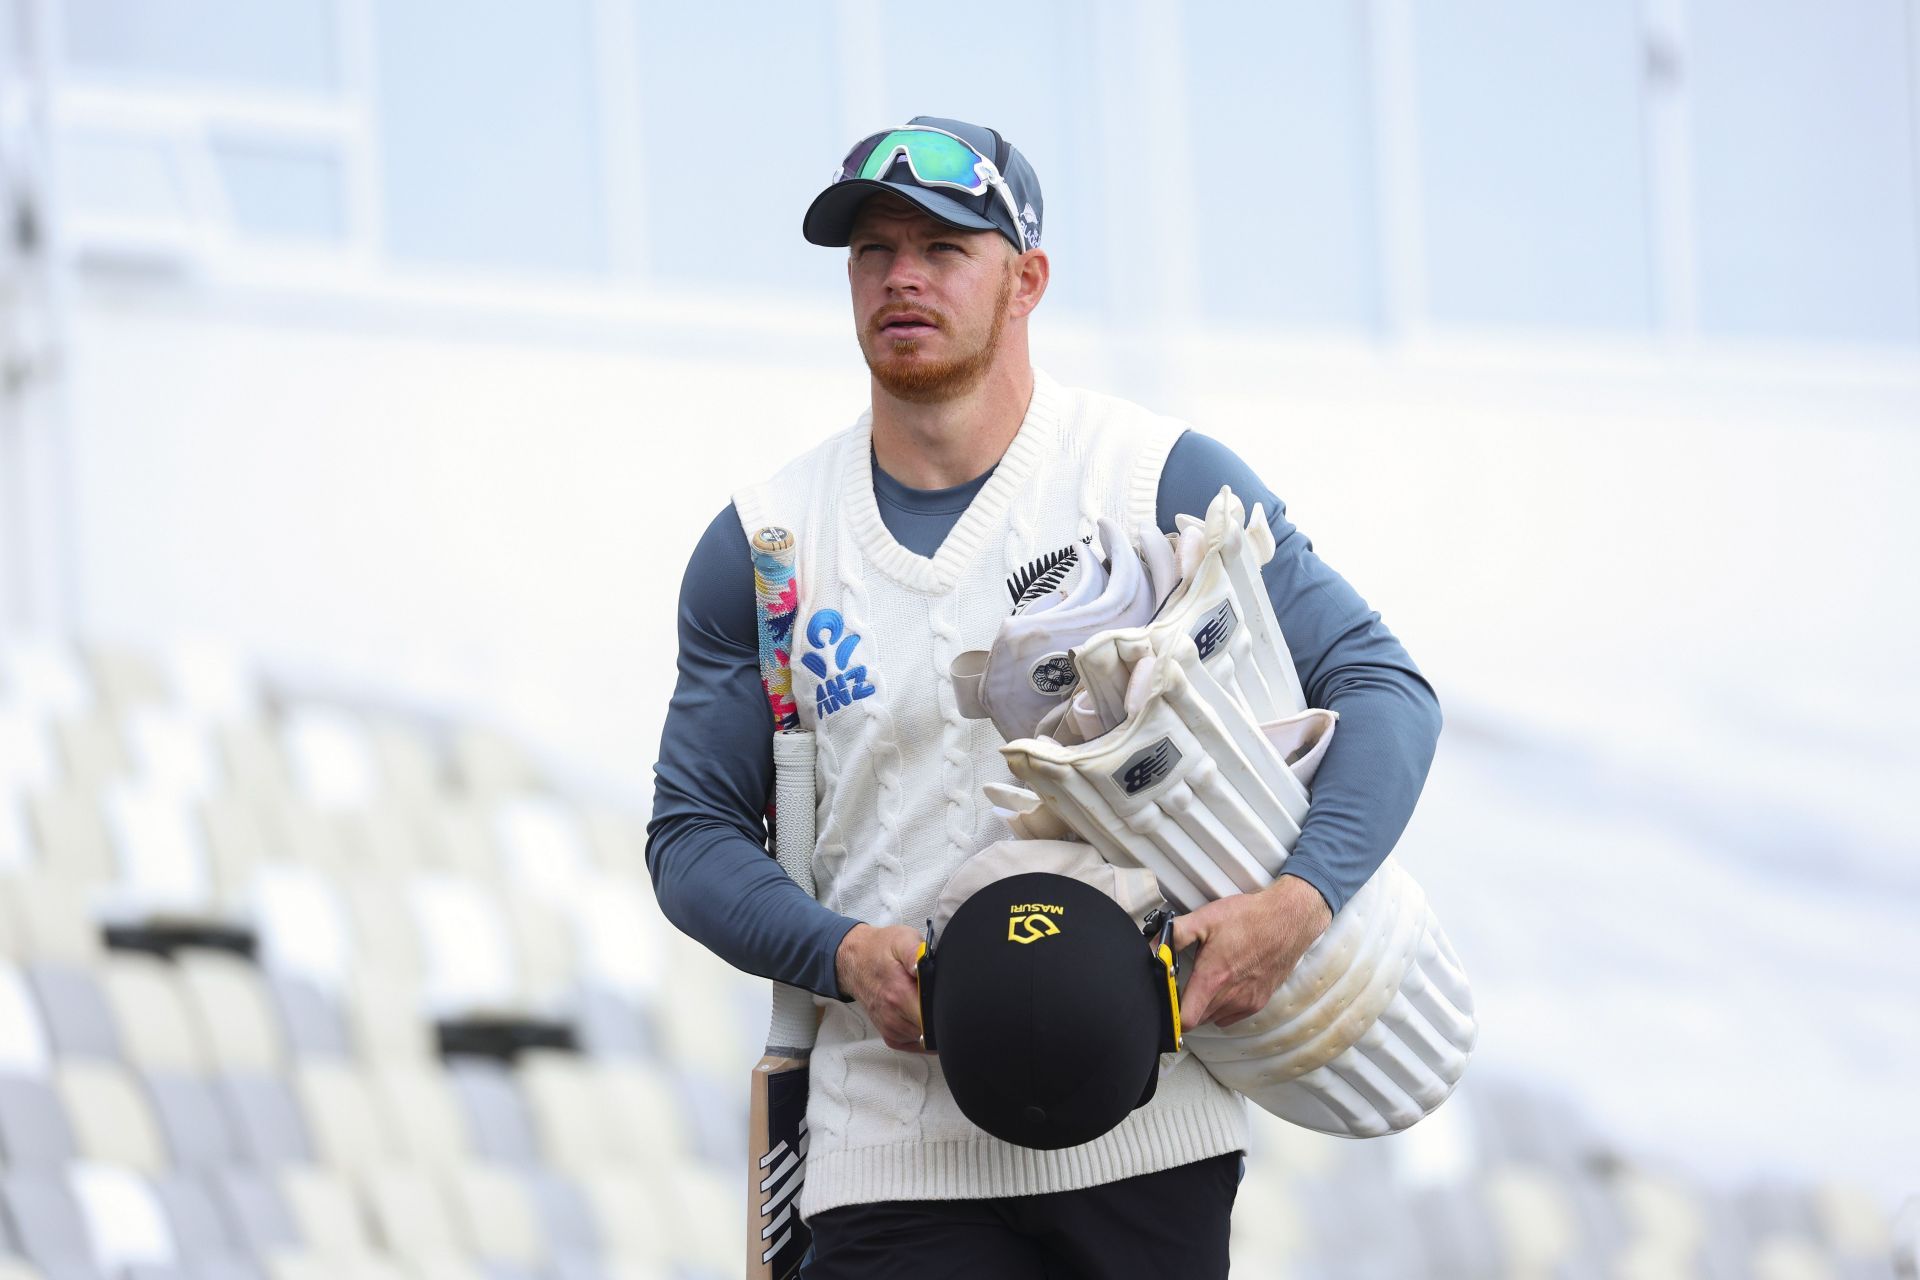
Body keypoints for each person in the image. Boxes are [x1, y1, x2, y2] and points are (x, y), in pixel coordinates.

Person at [647, 116, 1443, 1277]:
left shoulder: (1155, 477)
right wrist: (840, 951)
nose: (901, 276)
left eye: (943, 246)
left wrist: (1299, 901)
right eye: (873, 251)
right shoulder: (767, 543)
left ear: (1028, 279)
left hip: (1149, 1133)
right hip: (893, 1149)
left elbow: (1385, 689)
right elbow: (691, 838)